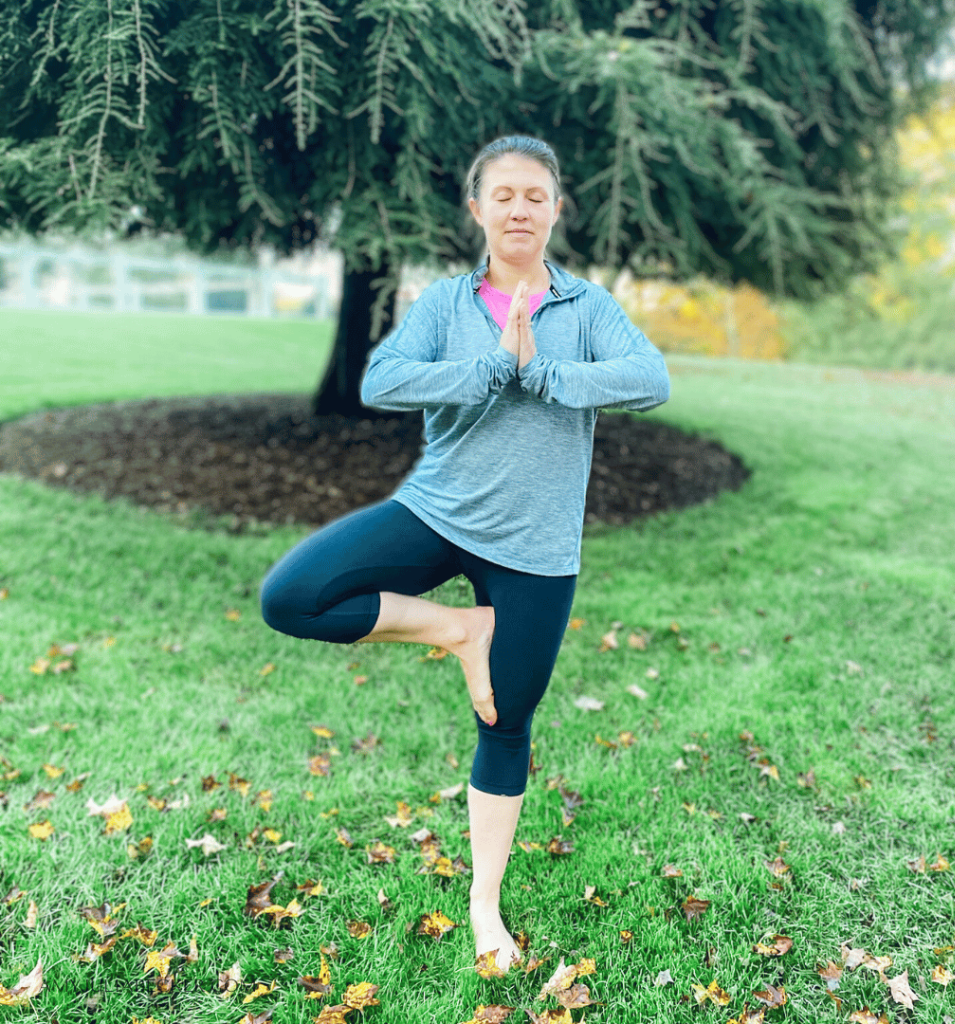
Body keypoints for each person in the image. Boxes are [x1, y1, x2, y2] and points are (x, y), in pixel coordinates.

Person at [259, 134, 670, 971]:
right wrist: (488, 366)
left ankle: (485, 903)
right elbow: (381, 380)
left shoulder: (586, 309)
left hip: (536, 545)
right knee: (292, 596)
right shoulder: (446, 304)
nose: (520, 208)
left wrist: (547, 374)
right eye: (504, 195)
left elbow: (650, 378)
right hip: (438, 510)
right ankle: (458, 630)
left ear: (556, 210)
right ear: (477, 209)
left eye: (536, 195)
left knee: (503, 719)